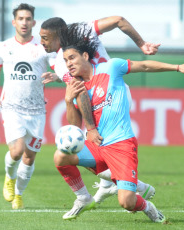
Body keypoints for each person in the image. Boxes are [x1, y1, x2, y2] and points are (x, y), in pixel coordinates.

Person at [54, 24, 184, 221]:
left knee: (127, 202)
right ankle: (83, 198)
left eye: (72, 58)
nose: (68, 64)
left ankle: (147, 206)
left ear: (86, 57)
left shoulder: (111, 68)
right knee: (60, 157)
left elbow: (145, 65)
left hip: (121, 144)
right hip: (97, 145)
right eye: (65, 61)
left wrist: (176, 67)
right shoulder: (76, 88)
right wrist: (68, 101)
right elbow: (74, 128)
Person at [40, 17, 158, 204]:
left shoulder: (71, 51)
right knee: (91, 146)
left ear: (58, 36)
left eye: (45, 38)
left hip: (107, 93)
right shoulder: (65, 54)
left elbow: (81, 93)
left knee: (92, 143)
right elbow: (119, 20)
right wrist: (142, 44)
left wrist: (90, 127)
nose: (42, 42)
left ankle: (125, 184)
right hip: (110, 91)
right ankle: (113, 184)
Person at [0, 3, 55, 209]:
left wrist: (58, 75)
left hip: (36, 110)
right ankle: (9, 178)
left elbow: (59, 67)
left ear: (34, 22)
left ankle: (18, 194)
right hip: (11, 107)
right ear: (13, 22)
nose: (24, 22)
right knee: (16, 151)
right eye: (21, 19)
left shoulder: (43, 47)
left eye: (28, 19)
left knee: (29, 157)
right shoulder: (3, 47)